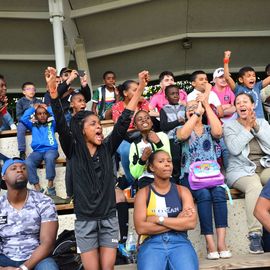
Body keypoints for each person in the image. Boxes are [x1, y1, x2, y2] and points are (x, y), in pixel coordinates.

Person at [47, 66, 150, 270]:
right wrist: (52, 91)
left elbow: (124, 121)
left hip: (109, 219)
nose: (99, 127)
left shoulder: (107, 148)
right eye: (93, 124)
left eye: (99, 124)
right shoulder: (73, 150)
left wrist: (140, 89)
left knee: (108, 268)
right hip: (85, 223)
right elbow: (59, 121)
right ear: (81, 130)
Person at [178, 87, 231, 260]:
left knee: (218, 193)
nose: (193, 110)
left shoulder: (209, 129)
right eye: (189, 108)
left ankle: (221, 242)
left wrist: (206, 105)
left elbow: (218, 132)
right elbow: (183, 135)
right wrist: (195, 115)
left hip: (212, 176)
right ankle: (210, 243)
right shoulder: (180, 129)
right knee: (203, 195)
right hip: (190, 177)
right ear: (185, 114)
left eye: (195, 107)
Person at [134, 150, 198, 270]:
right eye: (161, 161)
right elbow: (141, 228)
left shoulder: (183, 191)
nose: (167, 164)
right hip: (151, 243)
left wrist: (158, 219)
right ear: (151, 167)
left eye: (169, 161)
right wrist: (177, 222)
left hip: (180, 242)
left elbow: (191, 223)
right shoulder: (143, 193)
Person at [223, 92, 270, 254]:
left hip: (264, 166)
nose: (242, 104)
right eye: (238, 102)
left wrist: (256, 126)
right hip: (240, 170)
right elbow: (234, 149)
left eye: (245, 102)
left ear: (253, 106)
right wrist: (248, 128)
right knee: (254, 186)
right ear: (235, 108)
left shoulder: (263, 122)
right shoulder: (229, 126)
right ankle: (255, 235)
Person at [0, 158, 59, 269]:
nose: (20, 170)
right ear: (3, 176)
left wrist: (23, 268)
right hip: (4, 257)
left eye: (23, 168)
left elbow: (48, 243)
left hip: (37, 257)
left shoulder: (44, 201)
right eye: (13, 168)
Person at [112, 79, 150, 185]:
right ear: (125, 93)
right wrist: (136, 127)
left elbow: (145, 124)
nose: (138, 93)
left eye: (139, 90)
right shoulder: (117, 107)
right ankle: (132, 181)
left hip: (140, 135)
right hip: (122, 137)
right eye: (135, 90)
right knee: (126, 151)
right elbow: (119, 128)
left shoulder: (143, 103)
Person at [20, 104, 59, 195]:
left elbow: (57, 116)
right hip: (37, 151)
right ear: (36, 116)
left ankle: (50, 186)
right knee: (28, 162)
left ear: (47, 114)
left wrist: (47, 108)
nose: (42, 115)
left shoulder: (52, 124)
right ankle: (38, 189)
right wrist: (33, 108)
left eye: (44, 113)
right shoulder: (32, 125)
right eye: (39, 114)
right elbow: (23, 118)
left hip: (51, 150)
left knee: (49, 157)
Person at [129, 110, 171, 189]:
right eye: (139, 119)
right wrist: (142, 159)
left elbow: (168, 160)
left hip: (164, 175)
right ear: (135, 126)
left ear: (151, 122)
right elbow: (135, 174)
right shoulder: (134, 145)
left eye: (147, 118)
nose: (144, 120)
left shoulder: (162, 136)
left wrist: (158, 143)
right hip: (145, 179)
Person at [223, 50, 270, 119]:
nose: (252, 78)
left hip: (260, 122)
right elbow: (227, 77)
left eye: (254, 76)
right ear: (241, 80)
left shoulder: (257, 86)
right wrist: (226, 60)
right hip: (245, 123)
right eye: (248, 76)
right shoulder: (238, 89)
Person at [160, 84, 185, 179]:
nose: (175, 96)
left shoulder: (183, 107)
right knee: (175, 159)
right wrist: (177, 122)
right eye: (172, 94)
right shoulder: (164, 110)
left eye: (177, 93)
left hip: (184, 137)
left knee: (184, 157)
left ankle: (185, 177)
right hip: (171, 139)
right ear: (166, 97)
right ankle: (176, 178)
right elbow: (164, 126)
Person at [16, 82, 43, 160]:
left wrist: (38, 118)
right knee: (20, 128)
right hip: (25, 121)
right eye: (29, 89)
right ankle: (22, 151)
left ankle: (41, 149)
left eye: (33, 89)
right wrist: (28, 119)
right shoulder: (20, 102)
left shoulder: (39, 101)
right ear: (24, 92)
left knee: (43, 128)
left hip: (37, 121)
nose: (32, 91)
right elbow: (18, 116)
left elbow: (44, 112)